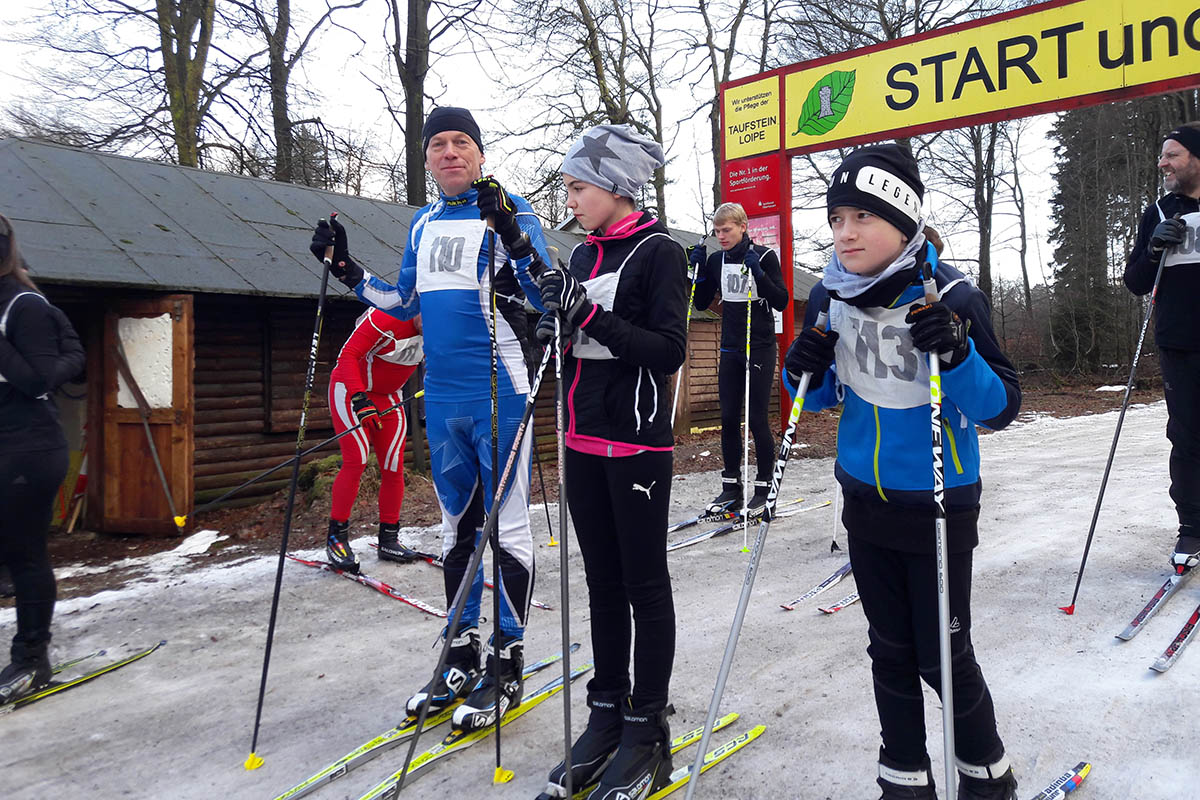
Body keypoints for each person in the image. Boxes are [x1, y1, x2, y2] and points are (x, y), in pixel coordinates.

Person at [783, 144, 1022, 800]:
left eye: (862, 215)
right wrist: (801, 367)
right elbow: (820, 394)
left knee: (943, 655)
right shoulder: (830, 294)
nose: (845, 232)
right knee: (887, 650)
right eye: (836, 217)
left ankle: (987, 777)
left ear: (904, 220)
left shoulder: (954, 296)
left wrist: (960, 352)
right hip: (864, 498)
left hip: (939, 504)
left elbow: (1001, 406)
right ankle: (904, 781)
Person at [309, 106, 549, 733]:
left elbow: (544, 293)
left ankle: (508, 658)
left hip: (501, 391)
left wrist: (517, 245)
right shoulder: (423, 223)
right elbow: (404, 303)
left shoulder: (509, 209)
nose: (449, 153)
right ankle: (460, 652)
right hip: (442, 400)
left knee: (508, 529)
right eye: (438, 144)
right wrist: (346, 268)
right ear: (426, 158)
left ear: (479, 154)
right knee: (455, 529)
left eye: (461, 143)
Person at [532, 125, 687, 800]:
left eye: (578, 185)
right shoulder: (583, 255)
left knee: (643, 583)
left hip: (637, 444)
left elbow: (666, 349)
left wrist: (587, 322)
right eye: (567, 186)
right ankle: (605, 710)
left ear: (617, 185)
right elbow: (578, 339)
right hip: (581, 437)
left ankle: (646, 727)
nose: (570, 197)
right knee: (600, 583)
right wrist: (549, 324)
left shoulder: (660, 252)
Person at [0, 213, 86, 704]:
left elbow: (37, 378)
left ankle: (32, 658)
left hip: (28, 447)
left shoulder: (24, 305)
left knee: (24, 554)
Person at [1123, 121, 1200, 571]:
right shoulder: (1158, 209)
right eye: (1162, 155)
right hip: (1180, 343)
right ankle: (1192, 527)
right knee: (1188, 438)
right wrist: (1154, 249)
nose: (1163, 163)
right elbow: (1135, 281)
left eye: (1172, 155)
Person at [690, 202, 789, 516]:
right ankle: (731, 488)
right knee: (729, 419)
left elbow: (782, 301)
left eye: (727, 230)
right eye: (717, 231)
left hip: (758, 346)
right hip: (730, 348)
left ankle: (764, 490)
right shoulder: (717, 259)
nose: (721, 236)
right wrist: (696, 271)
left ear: (743, 227)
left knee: (757, 419)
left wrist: (758, 273)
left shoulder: (764, 256)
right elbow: (702, 302)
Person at [323, 308, 423, 572]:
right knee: (356, 462)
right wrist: (359, 399)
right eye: (430, 316)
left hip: (389, 397)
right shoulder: (388, 316)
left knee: (394, 467)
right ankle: (337, 539)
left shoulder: (443, 326)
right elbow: (347, 355)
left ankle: (389, 539)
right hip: (351, 391)